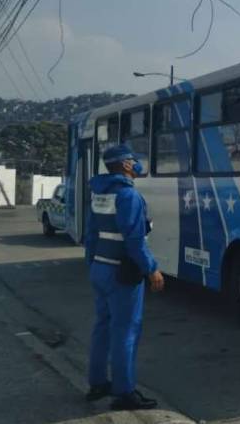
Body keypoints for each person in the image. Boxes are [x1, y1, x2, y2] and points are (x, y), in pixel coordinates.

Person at [84, 144, 164, 410]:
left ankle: (97, 383)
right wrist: (151, 268)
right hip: (122, 272)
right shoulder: (128, 196)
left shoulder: (99, 193)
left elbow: (92, 235)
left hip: (100, 268)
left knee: (102, 327)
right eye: (133, 159)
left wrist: (92, 265)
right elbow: (134, 240)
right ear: (126, 165)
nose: (137, 163)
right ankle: (124, 393)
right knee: (126, 332)